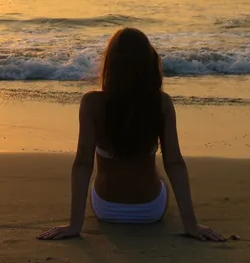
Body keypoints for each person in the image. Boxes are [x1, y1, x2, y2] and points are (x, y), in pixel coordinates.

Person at [37, 28, 225, 242]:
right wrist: (190, 224)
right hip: (150, 209)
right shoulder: (161, 103)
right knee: (159, 174)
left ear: (111, 64)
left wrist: (75, 225)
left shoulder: (92, 104)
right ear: (148, 63)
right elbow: (175, 163)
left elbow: (83, 164)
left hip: (106, 208)